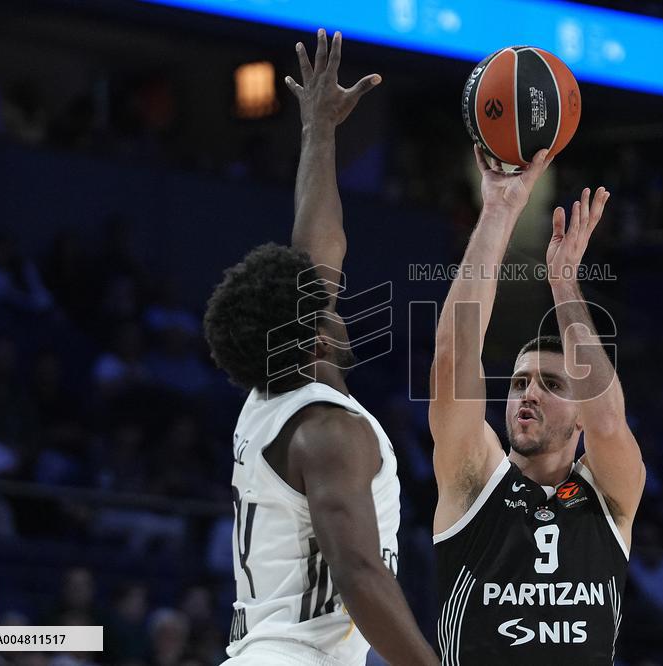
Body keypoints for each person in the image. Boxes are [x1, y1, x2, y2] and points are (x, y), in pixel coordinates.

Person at [204, 30, 437, 666]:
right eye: (324, 306)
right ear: (309, 336)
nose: (337, 304)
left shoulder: (275, 393)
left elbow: (317, 242)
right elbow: (360, 574)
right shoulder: (325, 431)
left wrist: (320, 130)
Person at [429, 148, 646, 662]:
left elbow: (609, 420)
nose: (528, 392)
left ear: (579, 417)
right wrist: (500, 211)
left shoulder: (610, 495)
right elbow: (452, 360)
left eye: (551, 383)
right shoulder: (473, 479)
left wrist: (563, 281)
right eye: (520, 382)